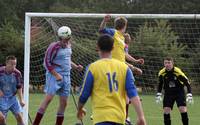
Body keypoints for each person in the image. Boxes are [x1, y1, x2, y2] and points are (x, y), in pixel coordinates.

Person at [77, 34, 146, 125]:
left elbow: (84, 94)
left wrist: (80, 109)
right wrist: (141, 117)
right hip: (119, 118)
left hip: (101, 118)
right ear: (113, 48)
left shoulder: (92, 68)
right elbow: (133, 93)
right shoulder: (124, 68)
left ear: (97, 47)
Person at [32, 26, 83, 125]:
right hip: (54, 76)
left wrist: (76, 66)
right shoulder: (53, 47)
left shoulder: (69, 45)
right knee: (48, 99)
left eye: (67, 39)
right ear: (59, 38)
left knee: (64, 103)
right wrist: (56, 75)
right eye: (63, 39)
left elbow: (67, 60)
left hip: (66, 76)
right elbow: (46, 63)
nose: (65, 41)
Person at [156, 57, 193, 125]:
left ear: (172, 63)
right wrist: (158, 94)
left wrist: (189, 94)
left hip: (179, 92)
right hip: (168, 93)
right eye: (165, 63)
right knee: (166, 111)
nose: (167, 64)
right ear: (164, 64)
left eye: (169, 63)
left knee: (182, 109)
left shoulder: (177, 71)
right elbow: (160, 83)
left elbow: (187, 82)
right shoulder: (161, 73)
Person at [0, 56, 25, 125]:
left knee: (20, 117)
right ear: (6, 63)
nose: (13, 66)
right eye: (11, 64)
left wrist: (21, 99)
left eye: (15, 64)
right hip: (1, 99)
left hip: (12, 98)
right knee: (2, 119)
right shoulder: (0, 71)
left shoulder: (17, 73)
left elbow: (19, 87)